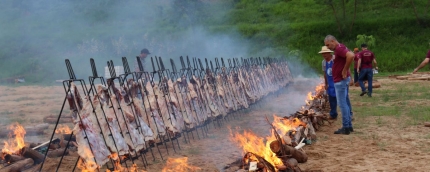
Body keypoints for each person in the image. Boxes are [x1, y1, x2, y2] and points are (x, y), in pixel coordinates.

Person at [324, 35, 354, 135]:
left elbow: (351, 56)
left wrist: (345, 70)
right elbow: (350, 55)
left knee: (342, 104)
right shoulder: (341, 47)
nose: (328, 47)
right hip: (341, 80)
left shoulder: (339, 48)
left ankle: (346, 127)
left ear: (333, 41)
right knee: (345, 102)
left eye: (328, 45)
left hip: (340, 81)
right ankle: (349, 126)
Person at [319, 46, 338, 120]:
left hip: (337, 81)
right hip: (330, 83)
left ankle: (349, 114)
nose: (324, 55)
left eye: (325, 53)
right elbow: (325, 74)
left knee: (342, 99)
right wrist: (326, 83)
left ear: (329, 52)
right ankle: (333, 114)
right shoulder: (323, 62)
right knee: (331, 99)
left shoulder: (335, 59)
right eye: (323, 54)